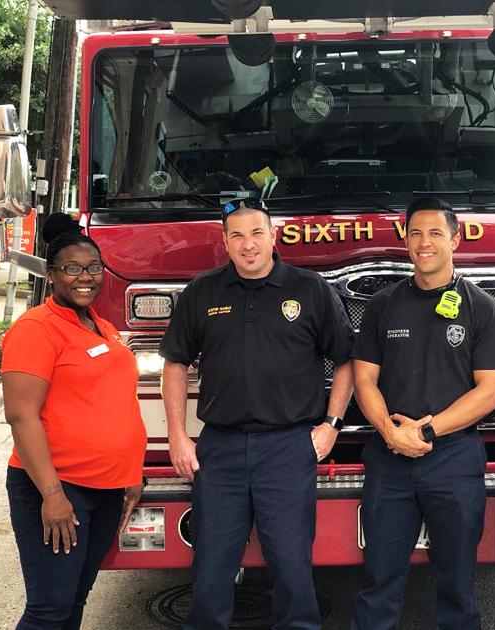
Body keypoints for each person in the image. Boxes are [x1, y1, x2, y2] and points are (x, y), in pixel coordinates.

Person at [160, 198, 354, 630]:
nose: (248, 245)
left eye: (257, 234)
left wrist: (331, 425)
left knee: (291, 565)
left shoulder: (310, 289)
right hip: (220, 448)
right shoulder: (203, 292)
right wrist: (177, 434)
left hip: (289, 446)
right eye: (238, 236)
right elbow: (175, 363)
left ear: (274, 236)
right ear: (224, 241)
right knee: (211, 567)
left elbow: (346, 360)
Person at [351, 196, 495, 630]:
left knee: (456, 583)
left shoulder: (482, 308)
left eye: (436, 233)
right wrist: (388, 431)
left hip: (454, 459)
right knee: (378, 579)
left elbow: (490, 390)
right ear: (405, 239)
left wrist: (426, 431)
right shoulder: (382, 306)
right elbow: (364, 379)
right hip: (389, 460)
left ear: (455, 239)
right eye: (416, 233)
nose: (425, 243)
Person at [2, 213, 147, 629]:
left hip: (106, 490)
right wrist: (52, 494)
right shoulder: (36, 329)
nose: (85, 277)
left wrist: (132, 471)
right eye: (71, 269)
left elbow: (119, 404)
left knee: (75, 602)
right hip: (58, 489)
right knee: (49, 610)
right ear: (50, 275)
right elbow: (21, 415)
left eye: (94, 268)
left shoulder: (102, 328)